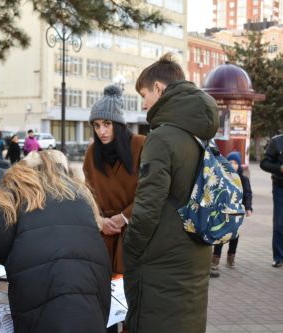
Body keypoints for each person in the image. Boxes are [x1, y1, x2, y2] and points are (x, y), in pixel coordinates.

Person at [122, 53, 219, 333]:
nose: (143, 103)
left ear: (159, 89)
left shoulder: (162, 137)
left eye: (144, 94)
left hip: (162, 258)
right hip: (195, 250)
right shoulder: (200, 135)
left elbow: (148, 206)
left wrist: (131, 247)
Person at [0, 150, 111, 332]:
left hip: (38, 279)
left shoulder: (14, 189)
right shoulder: (80, 192)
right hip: (92, 277)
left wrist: (17, 260)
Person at [83, 84, 145, 275]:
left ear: (118, 124)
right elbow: (87, 195)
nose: (101, 131)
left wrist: (124, 217)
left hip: (135, 233)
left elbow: (152, 192)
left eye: (107, 124)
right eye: (97, 125)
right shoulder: (92, 153)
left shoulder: (141, 145)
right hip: (104, 235)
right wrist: (99, 220)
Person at [211, 151, 252, 275]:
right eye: (230, 162)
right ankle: (215, 259)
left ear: (239, 165)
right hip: (223, 210)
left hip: (237, 212)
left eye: (235, 163)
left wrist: (248, 207)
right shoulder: (222, 177)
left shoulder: (243, 179)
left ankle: (231, 257)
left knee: (235, 234)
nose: (233, 165)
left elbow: (247, 194)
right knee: (221, 234)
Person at [260, 133, 283, 267]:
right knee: (280, 222)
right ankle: (279, 257)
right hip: (280, 187)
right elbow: (264, 163)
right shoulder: (276, 141)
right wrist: (279, 168)